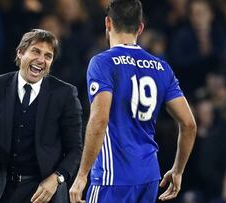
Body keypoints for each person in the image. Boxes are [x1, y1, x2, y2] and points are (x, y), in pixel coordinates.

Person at [69, 0, 197, 202]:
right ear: (140, 28)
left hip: (113, 177)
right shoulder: (162, 68)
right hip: (148, 177)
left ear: (108, 23)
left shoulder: (102, 62)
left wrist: (82, 175)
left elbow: (100, 120)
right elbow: (189, 124)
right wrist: (177, 170)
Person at [0, 29, 83, 203]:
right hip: (0, 192)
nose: (41, 60)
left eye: (48, 56)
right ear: (20, 53)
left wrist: (57, 179)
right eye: (35, 51)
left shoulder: (65, 94)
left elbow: (75, 149)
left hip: (44, 193)